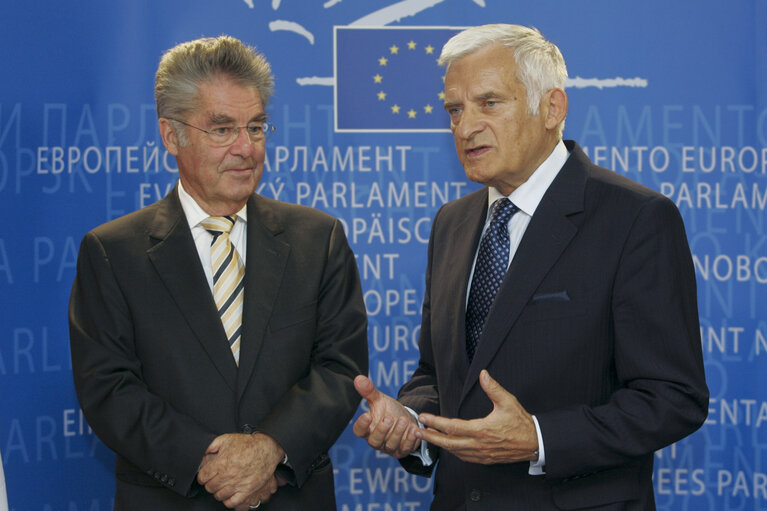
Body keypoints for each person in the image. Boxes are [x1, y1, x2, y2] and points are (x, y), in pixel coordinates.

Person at [353, 24, 708, 510]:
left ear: (552, 108)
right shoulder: (451, 223)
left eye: (489, 103)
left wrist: (539, 439)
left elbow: (672, 398)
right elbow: (439, 373)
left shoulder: (635, 219)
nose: (465, 126)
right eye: (454, 110)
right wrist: (413, 422)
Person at [69, 35, 367, 510]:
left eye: (256, 127)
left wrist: (269, 452)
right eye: (222, 129)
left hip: (290, 495)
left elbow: (339, 367)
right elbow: (109, 390)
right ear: (171, 136)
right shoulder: (112, 252)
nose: (245, 148)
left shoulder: (318, 238)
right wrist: (211, 464)